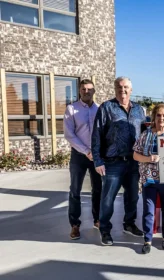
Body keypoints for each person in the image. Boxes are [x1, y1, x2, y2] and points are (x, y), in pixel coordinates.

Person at [91, 76, 147, 246]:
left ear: (131, 90)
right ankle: (105, 230)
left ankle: (129, 224)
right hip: (112, 162)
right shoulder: (106, 107)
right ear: (115, 89)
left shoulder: (139, 110)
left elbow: (144, 134)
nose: (123, 90)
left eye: (126, 87)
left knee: (132, 197)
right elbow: (96, 135)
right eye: (119, 87)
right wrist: (98, 161)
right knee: (108, 199)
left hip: (134, 161)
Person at [133, 103, 164, 254]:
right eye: (158, 115)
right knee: (149, 210)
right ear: (154, 117)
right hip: (149, 180)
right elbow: (135, 155)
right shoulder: (146, 135)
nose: (161, 118)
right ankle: (147, 240)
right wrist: (148, 158)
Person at [64, 79, 102, 240]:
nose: (86, 92)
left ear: (94, 91)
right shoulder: (71, 109)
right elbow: (69, 134)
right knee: (75, 190)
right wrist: (86, 151)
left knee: (98, 190)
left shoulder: (100, 109)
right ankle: (75, 225)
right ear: (79, 91)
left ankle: (98, 220)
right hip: (79, 156)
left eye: (89, 89)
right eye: (83, 89)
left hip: (97, 155)